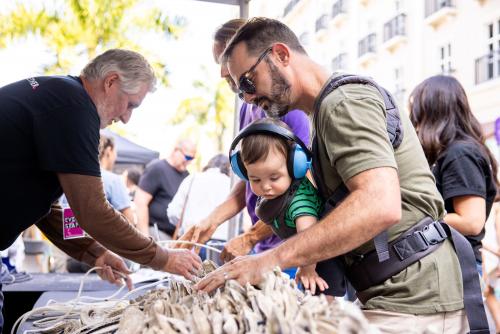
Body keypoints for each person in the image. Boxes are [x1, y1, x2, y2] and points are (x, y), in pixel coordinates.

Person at [195, 17, 477, 333]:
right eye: (236, 89)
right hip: (400, 295)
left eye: (246, 81)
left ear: (281, 55)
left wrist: (266, 260)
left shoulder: (342, 102)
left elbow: (379, 205)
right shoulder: (324, 111)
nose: (245, 97)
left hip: (415, 301)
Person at [0, 49, 201, 332]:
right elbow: (93, 211)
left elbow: (47, 211)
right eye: (131, 104)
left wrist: (94, 253)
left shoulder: (60, 96)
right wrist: (163, 258)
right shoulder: (75, 108)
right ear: (111, 82)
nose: (127, 118)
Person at [178, 18, 310, 263]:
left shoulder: (287, 106)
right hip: (265, 246)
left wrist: (249, 238)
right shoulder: (246, 109)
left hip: (293, 248)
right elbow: (252, 174)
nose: (221, 72)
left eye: (225, 61)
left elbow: (304, 186)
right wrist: (211, 221)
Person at [409, 75, 498, 276]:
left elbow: (471, 222)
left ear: (432, 112)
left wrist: (415, 218)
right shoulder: (458, 151)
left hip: (456, 268)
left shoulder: (459, 153)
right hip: (453, 265)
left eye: (418, 113)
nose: (415, 122)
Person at [233, 118, 330, 295]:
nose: (265, 186)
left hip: (319, 264)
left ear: (295, 166)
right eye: (255, 179)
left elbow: (309, 238)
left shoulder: (300, 201)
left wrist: (307, 268)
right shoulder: (277, 192)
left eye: (274, 177)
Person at [134, 138, 196, 240]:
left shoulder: (187, 176)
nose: (189, 161)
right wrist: (145, 238)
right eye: (188, 157)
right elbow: (140, 203)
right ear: (176, 150)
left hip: (176, 236)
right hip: (156, 232)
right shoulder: (157, 168)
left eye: (192, 159)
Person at [167, 154, 231, 252]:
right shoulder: (231, 183)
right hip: (222, 243)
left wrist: (184, 227)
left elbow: (173, 212)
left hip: (192, 240)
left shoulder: (192, 179)